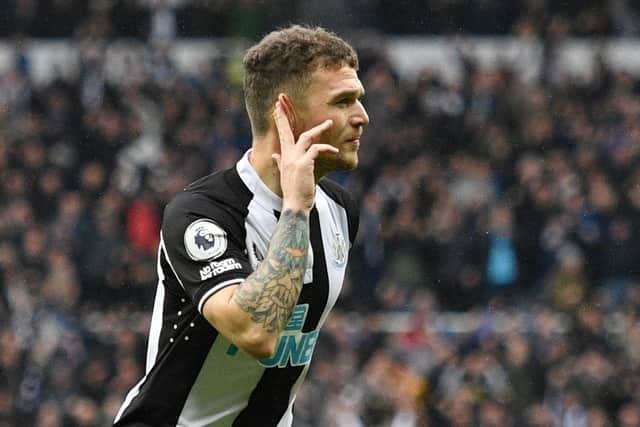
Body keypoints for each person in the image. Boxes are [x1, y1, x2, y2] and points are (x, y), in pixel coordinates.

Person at [114, 24, 369, 426]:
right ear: (285, 112)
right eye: (343, 101)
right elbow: (256, 335)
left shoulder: (340, 210)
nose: (361, 117)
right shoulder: (202, 214)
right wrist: (296, 209)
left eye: (359, 99)